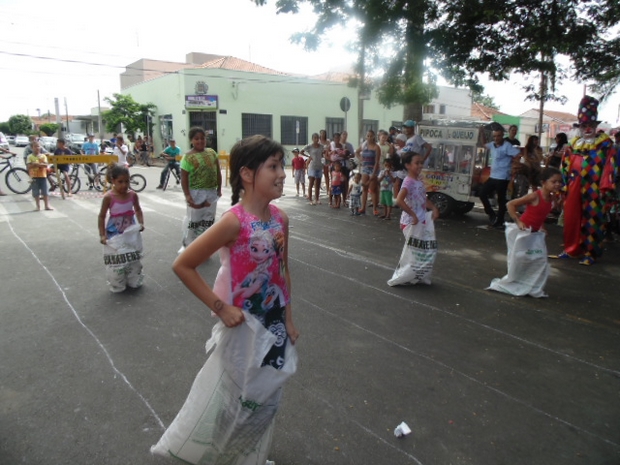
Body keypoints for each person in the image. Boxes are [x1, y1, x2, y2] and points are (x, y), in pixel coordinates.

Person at [170, 135, 298, 463]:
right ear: (247, 174)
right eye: (273, 166)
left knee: (267, 400)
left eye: (281, 165)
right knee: (237, 402)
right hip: (244, 329)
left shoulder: (281, 219)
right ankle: (224, 456)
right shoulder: (234, 222)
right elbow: (183, 265)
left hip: (275, 328)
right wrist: (220, 306)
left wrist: (289, 318)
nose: (282, 173)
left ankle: (247, 456)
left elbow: (281, 271)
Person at [550, 95, 618, 266]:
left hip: (594, 188)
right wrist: (561, 187)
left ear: (596, 126)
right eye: (584, 125)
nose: (588, 128)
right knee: (571, 219)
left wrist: (607, 188)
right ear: (580, 127)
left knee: (592, 221)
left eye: (591, 125)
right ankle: (571, 249)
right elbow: (564, 167)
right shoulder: (573, 145)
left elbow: (611, 167)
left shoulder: (605, 145)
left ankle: (590, 252)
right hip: (574, 187)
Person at [98, 164, 145, 292]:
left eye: (127, 181)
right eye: (120, 182)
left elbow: (138, 209)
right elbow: (101, 217)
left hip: (130, 229)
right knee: (118, 257)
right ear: (112, 181)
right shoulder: (109, 197)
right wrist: (102, 234)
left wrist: (141, 223)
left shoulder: (133, 195)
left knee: (133, 254)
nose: (124, 185)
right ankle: (118, 281)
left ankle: (133, 279)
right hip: (115, 231)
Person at [180, 126, 222, 249]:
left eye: (202, 138)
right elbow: (184, 177)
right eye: (196, 138)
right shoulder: (188, 157)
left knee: (208, 220)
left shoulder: (212, 153)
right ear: (191, 140)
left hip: (211, 192)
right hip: (195, 193)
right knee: (194, 220)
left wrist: (219, 188)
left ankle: (203, 245)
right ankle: (189, 245)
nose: (200, 141)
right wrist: (187, 195)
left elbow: (217, 171)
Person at [479, 129, 522, 229]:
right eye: (494, 136)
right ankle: (491, 213)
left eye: (498, 136)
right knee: (482, 193)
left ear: (502, 136)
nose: (496, 138)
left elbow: (518, 154)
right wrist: (482, 132)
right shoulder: (492, 144)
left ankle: (500, 221)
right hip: (493, 176)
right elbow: (484, 144)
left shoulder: (507, 146)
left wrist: (513, 166)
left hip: (503, 177)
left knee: (501, 199)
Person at [507, 167, 562, 232]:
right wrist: (518, 222)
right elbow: (510, 204)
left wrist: (542, 227)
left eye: (559, 182)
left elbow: (540, 215)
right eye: (554, 182)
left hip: (535, 232)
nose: (558, 184)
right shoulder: (534, 196)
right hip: (524, 230)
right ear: (543, 182)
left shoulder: (552, 197)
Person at [396, 150, 439, 228]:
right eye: (417, 163)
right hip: (411, 222)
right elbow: (399, 200)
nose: (420, 166)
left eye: (421, 163)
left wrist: (433, 208)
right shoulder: (408, 182)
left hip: (421, 220)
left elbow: (423, 199)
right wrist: (413, 215)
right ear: (407, 165)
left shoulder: (419, 180)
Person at [355, 129, 382, 215]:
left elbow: (377, 162)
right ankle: (363, 207)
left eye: (371, 136)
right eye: (368, 136)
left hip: (373, 168)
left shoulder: (376, 147)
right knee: (364, 188)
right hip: (365, 168)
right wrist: (360, 159)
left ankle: (374, 208)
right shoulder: (364, 145)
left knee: (372, 189)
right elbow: (357, 152)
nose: (369, 137)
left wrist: (374, 174)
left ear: (374, 137)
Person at [511, 135, 543, 199]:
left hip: (536, 168)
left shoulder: (538, 148)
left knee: (535, 183)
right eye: (535, 140)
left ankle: (536, 196)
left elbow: (541, 157)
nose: (536, 142)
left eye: (537, 140)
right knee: (530, 183)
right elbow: (526, 158)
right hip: (529, 168)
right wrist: (534, 160)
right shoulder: (527, 148)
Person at [26, 142, 53, 210]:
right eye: (35, 146)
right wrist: (37, 164)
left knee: (45, 192)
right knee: (36, 192)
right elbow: (29, 166)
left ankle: (46, 206)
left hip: (43, 176)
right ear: (32, 148)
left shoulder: (43, 156)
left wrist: (36, 164)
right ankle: (38, 206)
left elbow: (45, 165)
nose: (37, 148)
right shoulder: (30, 156)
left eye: (38, 146)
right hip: (34, 176)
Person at [301, 132, 325, 205]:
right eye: (315, 138)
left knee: (318, 183)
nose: (316, 139)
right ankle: (310, 199)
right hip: (312, 166)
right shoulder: (309, 146)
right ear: (312, 139)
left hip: (319, 166)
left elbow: (323, 154)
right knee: (311, 183)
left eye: (317, 138)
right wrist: (308, 156)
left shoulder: (321, 146)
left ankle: (317, 198)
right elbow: (301, 151)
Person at [319, 129, 330, 194]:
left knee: (326, 174)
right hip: (320, 158)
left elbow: (329, 149)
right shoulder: (318, 142)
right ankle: (318, 188)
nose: (322, 135)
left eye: (324, 133)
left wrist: (326, 151)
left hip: (326, 159)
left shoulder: (328, 141)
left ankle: (328, 189)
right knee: (319, 174)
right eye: (321, 133)